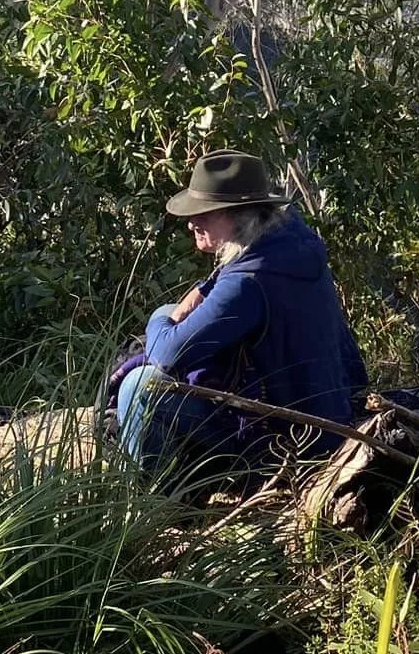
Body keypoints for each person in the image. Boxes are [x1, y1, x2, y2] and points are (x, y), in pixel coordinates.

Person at [107, 151, 367, 471]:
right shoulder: (293, 240)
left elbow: (169, 352)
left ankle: (157, 501)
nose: (191, 223)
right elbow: (225, 282)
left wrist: (160, 320)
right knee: (173, 313)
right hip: (330, 415)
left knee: (139, 386)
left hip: (285, 442)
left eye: (204, 213)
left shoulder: (247, 284)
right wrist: (199, 293)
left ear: (241, 215)